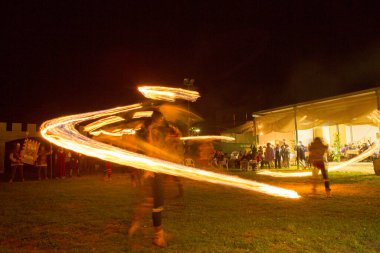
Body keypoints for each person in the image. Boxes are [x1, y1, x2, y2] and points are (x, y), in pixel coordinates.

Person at [128, 110, 182, 247]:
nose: (164, 120)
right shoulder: (152, 131)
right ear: (159, 119)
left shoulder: (152, 131)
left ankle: (136, 221)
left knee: (150, 200)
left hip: (154, 169)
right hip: (152, 170)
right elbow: (151, 150)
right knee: (157, 202)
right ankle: (158, 236)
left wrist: (175, 135)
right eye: (162, 118)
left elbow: (170, 142)